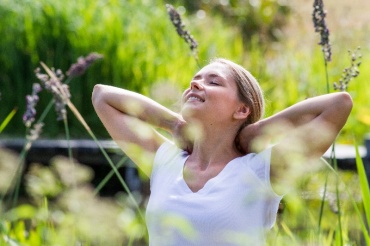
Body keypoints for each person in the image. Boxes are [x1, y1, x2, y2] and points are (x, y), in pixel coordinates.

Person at [92, 58, 352, 245]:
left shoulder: (261, 170)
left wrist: (258, 131)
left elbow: (338, 105)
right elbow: (102, 96)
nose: (195, 83)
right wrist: (173, 124)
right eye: (194, 80)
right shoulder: (165, 161)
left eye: (213, 81)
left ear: (241, 110)